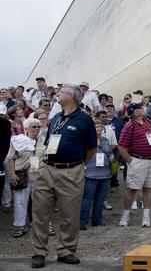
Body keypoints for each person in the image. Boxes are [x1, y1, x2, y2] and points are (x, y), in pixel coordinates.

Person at [30, 84, 97, 268]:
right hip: (48, 169)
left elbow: (92, 148)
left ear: (72, 97)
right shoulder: (56, 118)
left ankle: (66, 250)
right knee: (40, 212)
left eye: (62, 93)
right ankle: (38, 252)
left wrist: (78, 163)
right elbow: (47, 144)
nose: (58, 95)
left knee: (70, 214)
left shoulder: (84, 120)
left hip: (71, 171)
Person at [118, 102, 151, 227]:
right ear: (136, 112)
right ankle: (125, 217)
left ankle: (146, 218)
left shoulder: (147, 122)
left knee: (148, 188)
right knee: (132, 189)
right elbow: (122, 146)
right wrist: (131, 162)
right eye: (141, 108)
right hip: (138, 160)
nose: (144, 109)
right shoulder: (129, 125)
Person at [7, 118, 41, 237]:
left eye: (38, 127)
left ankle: (38, 225)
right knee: (20, 201)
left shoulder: (42, 141)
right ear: (26, 128)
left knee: (39, 202)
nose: (36, 129)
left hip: (37, 175)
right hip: (22, 175)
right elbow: (11, 158)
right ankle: (20, 226)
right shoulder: (18, 140)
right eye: (34, 126)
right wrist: (12, 174)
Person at [80, 120, 113, 229]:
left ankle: (96, 220)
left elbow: (110, 152)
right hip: (91, 173)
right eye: (96, 126)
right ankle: (83, 221)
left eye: (100, 126)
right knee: (87, 198)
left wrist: (111, 156)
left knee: (100, 198)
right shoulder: (86, 140)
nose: (99, 128)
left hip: (105, 173)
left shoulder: (105, 140)